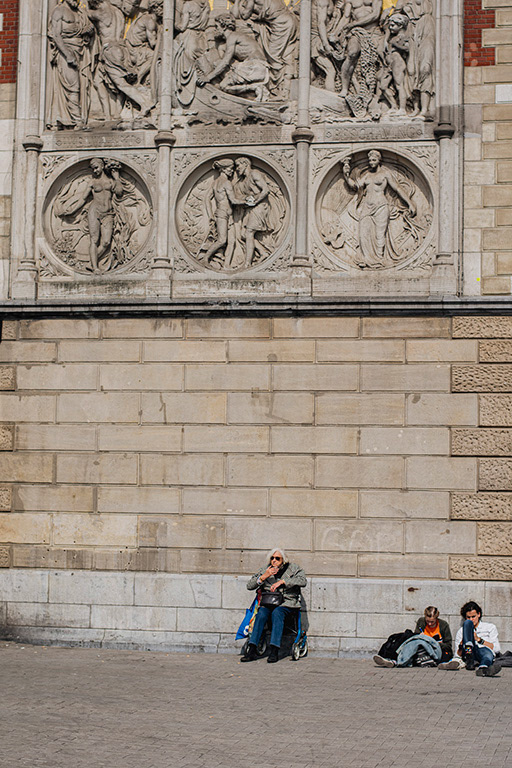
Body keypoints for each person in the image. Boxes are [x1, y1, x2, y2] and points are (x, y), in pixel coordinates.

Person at [241, 548, 306, 663]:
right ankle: (252, 648)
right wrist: (263, 577)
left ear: (283, 560)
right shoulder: (265, 569)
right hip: (269, 602)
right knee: (261, 613)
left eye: (277, 558)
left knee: (277, 613)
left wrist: (284, 581)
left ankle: (274, 650)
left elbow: (303, 581)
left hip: (287, 602)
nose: (274, 560)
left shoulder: (293, 568)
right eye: (272, 558)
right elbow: (249, 585)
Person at [373, 606, 452, 668]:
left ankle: (396, 662)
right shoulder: (421, 621)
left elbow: (448, 645)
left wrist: (434, 643)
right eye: (428, 621)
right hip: (421, 649)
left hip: (435, 650)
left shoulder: (443, 625)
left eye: (432, 622)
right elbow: (415, 638)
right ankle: (393, 661)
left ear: (436, 618)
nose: (430, 624)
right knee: (413, 644)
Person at [439, 601, 501, 677]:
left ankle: (483, 668)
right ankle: (468, 653)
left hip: (483, 651)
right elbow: (457, 655)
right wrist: (462, 644)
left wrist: (479, 640)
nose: (471, 619)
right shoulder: (461, 631)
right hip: (468, 652)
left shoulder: (490, 627)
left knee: (487, 654)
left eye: (473, 617)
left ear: (479, 614)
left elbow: (496, 649)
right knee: (467, 624)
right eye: (468, 617)